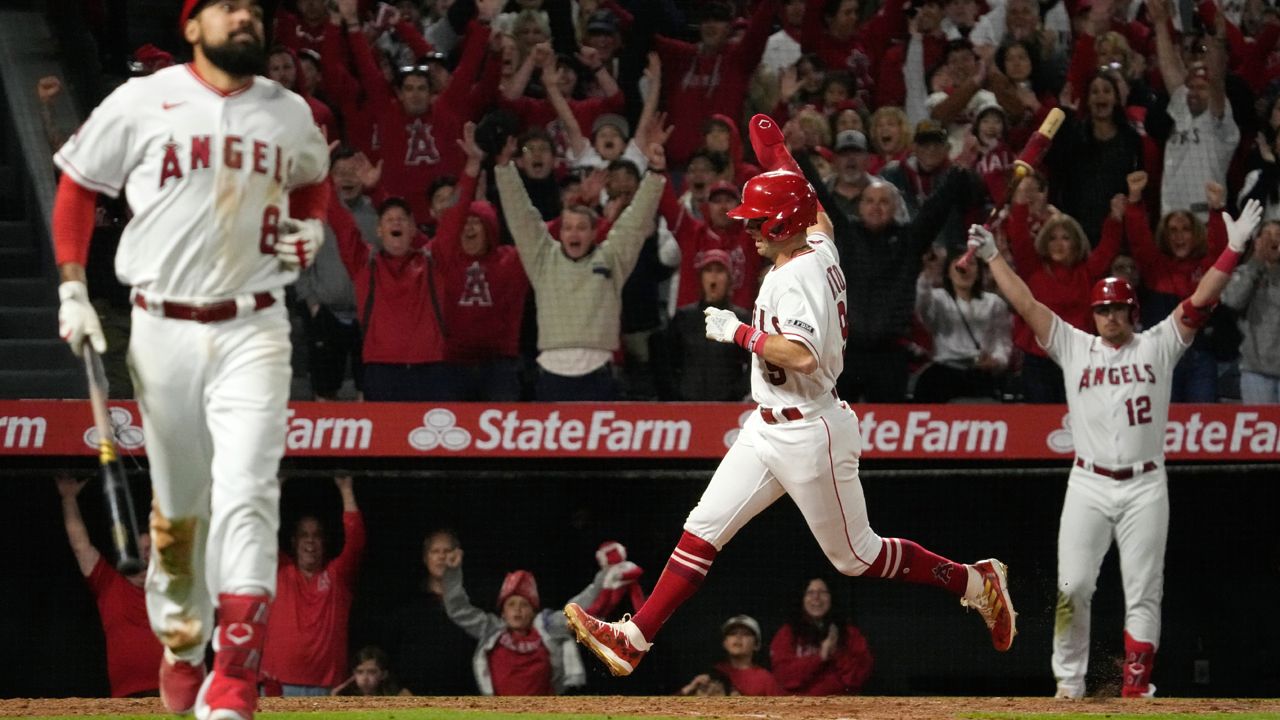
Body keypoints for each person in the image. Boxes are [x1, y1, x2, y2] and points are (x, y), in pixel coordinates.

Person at [564, 169, 1016, 679]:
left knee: (856, 557)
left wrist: (739, 333)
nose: (749, 229)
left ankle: (974, 582)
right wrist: (780, 158)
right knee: (703, 528)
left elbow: (800, 355)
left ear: (783, 223)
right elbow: (819, 215)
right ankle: (635, 638)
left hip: (811, 430)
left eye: (758, 220)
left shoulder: (795, 277)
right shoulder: (817, 246)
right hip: (767, 424)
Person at [51, 1, 331, 717]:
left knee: (247, 489)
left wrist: (311, 229)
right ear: (191, 26)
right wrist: (75, 287)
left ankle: (234, 673)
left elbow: (313, 180)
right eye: (225, 7)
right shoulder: (144, 99)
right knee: (178, 516)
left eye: (251, 9)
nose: (244, 17)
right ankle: (182, 644)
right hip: (162, 323)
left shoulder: (289, 111)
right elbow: (79, 187)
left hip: (254, 325)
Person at [966, 199, 1262, 699]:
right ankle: (1069, 684)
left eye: (1117, 307)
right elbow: (1030, 306)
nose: (1108, 316)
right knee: (1071, 589)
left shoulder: (1157, 344)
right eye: (1102, 308)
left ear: (1133, 311)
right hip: (1088, 482)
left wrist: (1232, 250)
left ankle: (1136, 684)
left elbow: (1199, 301)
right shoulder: (1075, 345)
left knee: (1144, 591)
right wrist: (996, 258)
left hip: (1146, 483)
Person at [495, 135, 664, 401]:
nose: (574, 233)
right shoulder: (542, 259)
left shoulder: (611, 258)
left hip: (600, 375)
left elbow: (635, 220)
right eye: (568, 227)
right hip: (550, 375)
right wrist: (504, 169)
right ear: (560, 233)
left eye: (582, 228)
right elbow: (521, 215)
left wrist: (654, 175)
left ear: (594, 233)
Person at [55, 474, 162, 698]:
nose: (144, 554)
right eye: (139, 549)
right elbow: (80, 545)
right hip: (126, 699)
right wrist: (69, 498)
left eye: (150, 548)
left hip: (176, 697)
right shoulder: (108, 583)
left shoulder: (177, 588)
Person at [262, 476, 366, 695]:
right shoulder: (279, 571)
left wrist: (346, 488)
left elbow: (355, 539)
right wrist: (276, 487)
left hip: (326, 687)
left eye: (317, 535)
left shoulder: (337, 577)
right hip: (278, 686)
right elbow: (263, 532)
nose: (310, 541)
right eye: (304, 535)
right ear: (293, 542)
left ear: (325, 542)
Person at [443, 559, 600, 695]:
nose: (517, 609)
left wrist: (604, 579)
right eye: (511, 604)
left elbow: (577, 610)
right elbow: (458, 609)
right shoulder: (490, 630)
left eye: (524, 605)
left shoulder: (547, 629)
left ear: (533, 612)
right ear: (503, 613)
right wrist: (451, 572)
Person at [913, 245, 1011, 402]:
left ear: (979, 272)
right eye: (958, 263)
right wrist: (928, 274)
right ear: (948, 272)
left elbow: (1002, 340)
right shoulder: (938, 299)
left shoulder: (994, 303)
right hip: (943, 373)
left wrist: (997, 360)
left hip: (979, 373)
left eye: (972, 264)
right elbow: (922, 306)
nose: (965, 268)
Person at [389, 529, 477, 695]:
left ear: (458, 556)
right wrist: (400, 687)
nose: (441, 556)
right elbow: (392, 651)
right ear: (425, 558)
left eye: (447, 551)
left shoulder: (474, 604)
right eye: (435, 551)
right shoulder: (409, 606)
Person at [663, 249, 752, 401]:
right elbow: (666, 361)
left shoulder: (740, 319)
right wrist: (676, 392)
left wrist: (736, 393)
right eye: (708, 271)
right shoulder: (684, 317)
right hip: (686, 404)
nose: (713, 276)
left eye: (719, 271)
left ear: (729, 279)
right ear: (701, 278)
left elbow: (754, 363)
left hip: (727, 406)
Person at [769, 577, 873, 695]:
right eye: (810, 592)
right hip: (799, 708)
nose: (816, 597)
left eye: (822, 592)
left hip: (841, 708)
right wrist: (820, 657)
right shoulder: (787, 633)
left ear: (832, 598)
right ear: (802, 599)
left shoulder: (850, 633)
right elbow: (784, 677)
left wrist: (835, 652)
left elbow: (858, 677)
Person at [1221, 219, 1280, 403]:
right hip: (1255, 371)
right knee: (1260, 430)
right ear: (1257, 241)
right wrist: (1257, 263)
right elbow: (1233, 300)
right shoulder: (1244, 272)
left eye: (1278, 235)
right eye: (1267, 235)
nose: (1273, 241)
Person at [709, 614, 784, 696]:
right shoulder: (713, 673)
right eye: (732, 633)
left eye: (746, 634)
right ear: (724, 643)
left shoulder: (765, 679)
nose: (738, 637)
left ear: (756, 645)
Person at [331, 646, 411, 696]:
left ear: (383, 674)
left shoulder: (400, 695)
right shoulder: (346, 698)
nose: (365, 678)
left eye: (372, 672)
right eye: (359, 672)